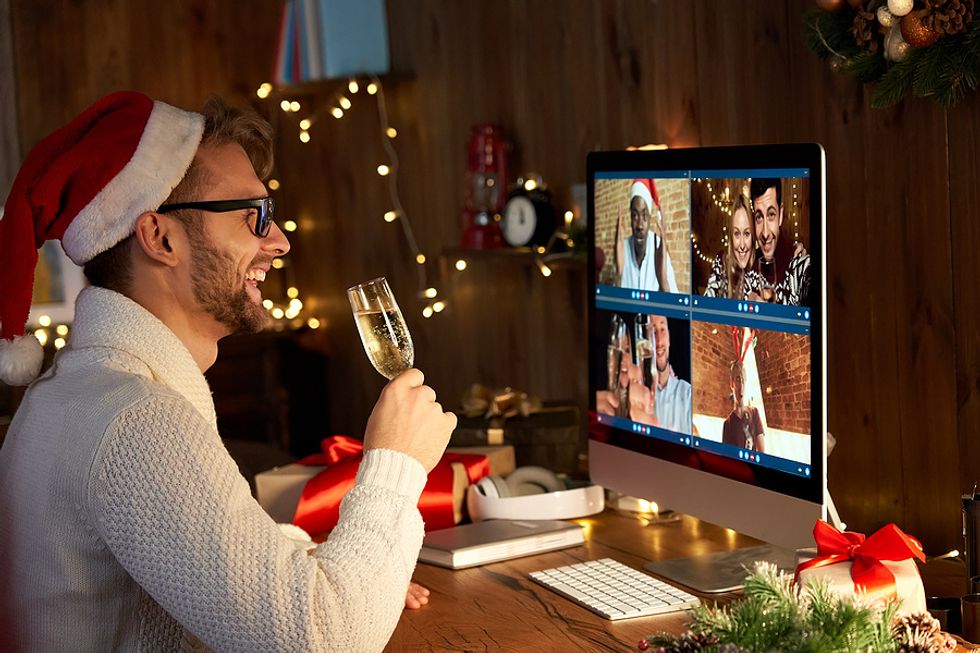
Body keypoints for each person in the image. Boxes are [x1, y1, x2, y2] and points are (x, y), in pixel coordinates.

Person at [0, 92, 457, 652]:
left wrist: (349, 575)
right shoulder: (134, 419)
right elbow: (323, 641)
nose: (279, 242)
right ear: (160, 238)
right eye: (254, 216)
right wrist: (396, 462)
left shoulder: (82, 394)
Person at [749, 177, 810, 306]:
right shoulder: (747, 266)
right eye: (759, 217)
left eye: (771, 215)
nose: (765, 233)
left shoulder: (800, 265)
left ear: (780, 215)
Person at [616, 178, 678, 293]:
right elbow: (615, 308)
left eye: (644, 216)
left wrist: (663, 282)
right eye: (635, 215)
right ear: (629, 219)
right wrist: (619, 275)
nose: (639, 225)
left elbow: (677, 308)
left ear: (650, 219)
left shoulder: (659, 247)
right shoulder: (622, 249)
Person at [703, 193, 767, 300]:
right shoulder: (721, 262)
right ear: (731, 236)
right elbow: (705, 305)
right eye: (737, 234)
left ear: (753, 235)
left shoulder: (763, 264)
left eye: (746, 233)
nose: (742, 245)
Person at [721, 360, 766, 452]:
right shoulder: (728, 424)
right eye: (737, 380)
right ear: (731, 383)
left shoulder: (754, 413)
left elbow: (762, 454)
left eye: (743, 380)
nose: (741, 386)